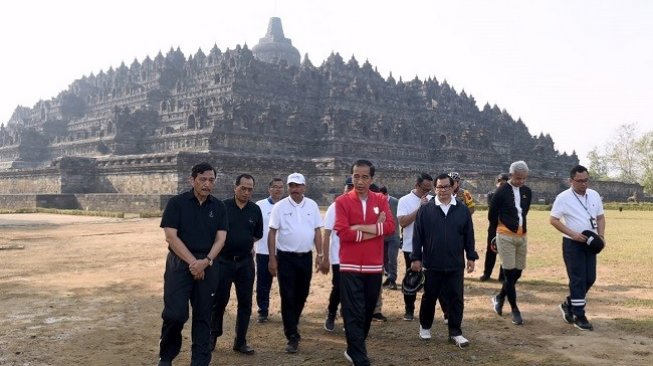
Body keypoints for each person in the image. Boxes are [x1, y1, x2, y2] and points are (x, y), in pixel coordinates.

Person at [157, 162, 228, 366]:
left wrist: (205, 262)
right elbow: (171, 237)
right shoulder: (177, 203)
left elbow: (221, 239)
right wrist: (193, 263)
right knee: (175, 314)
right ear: (192, 180)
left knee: (204, 315)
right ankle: (166, 356)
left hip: (208, 264)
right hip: (179, 264)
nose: (207, 184)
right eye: (203, 179)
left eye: (211, 180)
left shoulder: (219, 207)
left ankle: (200, 360)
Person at [334, 159, 395, 365]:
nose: (359, 181)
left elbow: (389, 227)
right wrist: (373, 229)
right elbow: (343, 232)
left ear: (372, 179)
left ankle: (355, 345)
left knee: (368, 310)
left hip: (374, 266)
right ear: (352, 177)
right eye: (356, 176)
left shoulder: (380, 199)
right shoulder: (342, 201)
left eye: (364, 177)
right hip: (349, 265)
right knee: (352, 310)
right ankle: (358, 355)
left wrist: (359, 227)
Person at [410, 173, 477, 348]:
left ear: (453, 187)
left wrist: (471, 256)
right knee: (429, 296)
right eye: (440, 187)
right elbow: (418, 236)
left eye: (447, 186)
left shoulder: (462, 209)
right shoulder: (426, 210)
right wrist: (416, 258)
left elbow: (469, 234)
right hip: (432, 263)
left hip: (455, 263)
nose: (443, 190)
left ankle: (455, 332)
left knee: (456, 298)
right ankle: (425, 326)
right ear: (434, 188)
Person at [267, 172, 327, 354]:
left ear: (304, 187)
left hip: (305, 256)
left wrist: (320, 253)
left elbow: (317, 230)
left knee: (302, 293)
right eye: (291, 186)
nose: (295, 189)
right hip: (286, 257)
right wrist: (272, 258)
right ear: (288, 187)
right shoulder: (280, 207)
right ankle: (292, 335)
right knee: (288, 295)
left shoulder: (312, 205)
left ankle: (293, 321)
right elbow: (272, 233)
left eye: (298, 186)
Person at [209, 174, 263, 354]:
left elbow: (257, 234)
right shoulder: (222, 207)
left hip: (246, 263)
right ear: (235, 187)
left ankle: (240, 341)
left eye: (250, 189)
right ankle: (212, 337)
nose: (246, 192)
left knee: (245, 303)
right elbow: (214, 233)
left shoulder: (255, 210)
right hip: (223, 262)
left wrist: (243, 245)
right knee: (219, 301)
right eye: (243, 188)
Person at [550, 165, 606, 331]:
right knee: (578, 279)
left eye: (586, 180)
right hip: (573, 244)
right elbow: (554, 220)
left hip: (591, 242)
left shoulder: (594, 195)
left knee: (590, 278)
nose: (583, 184)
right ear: (571, 181)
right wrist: (573, 234)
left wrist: (601, 236)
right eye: (579, 181)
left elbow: (600, 217)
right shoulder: (563, 197)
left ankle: (569, 304)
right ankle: (579, 315)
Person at [488, 161, 532, 326]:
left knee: (517, 273)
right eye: (518, 178)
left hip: (522, 235)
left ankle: (499, 297)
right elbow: (492, 215)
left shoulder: (527, 191)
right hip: (505, 235)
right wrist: (499, 231)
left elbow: (524, 212)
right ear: (511, 175)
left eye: (524, 178)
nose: (521, 181)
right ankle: (514, 310)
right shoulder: (501, 191)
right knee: (508, 274)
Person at [397, 173, 434, 321]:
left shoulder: (433, 200)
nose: (427, 192)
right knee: (411, 280)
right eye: (425, 189)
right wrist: (420, 208)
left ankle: (426, 312)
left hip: (430, 248)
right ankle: (409, 310)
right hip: (410, 247)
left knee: (431, 281)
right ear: (417, 185)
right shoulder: (404, 201)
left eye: (430, 189)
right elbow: (403, 222)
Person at [322, 177, 355, 332]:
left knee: (352, 289)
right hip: (338, 256)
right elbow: (327, 234)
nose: (350, 190)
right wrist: (325, 257)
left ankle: (347, 316)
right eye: (348, 187)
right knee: (339, 287)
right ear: (344, 189)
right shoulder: (334, 208)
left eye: (352, 187)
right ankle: (331, 313)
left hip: (355, 256)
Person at [254, 178, 285, 323]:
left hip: (284, 252)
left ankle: (289, 312)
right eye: (275, 187)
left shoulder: (287, 206)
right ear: (269, 189)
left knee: (287, 283)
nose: (278, 190)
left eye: (281, 187)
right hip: (263, 251)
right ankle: (263, 311)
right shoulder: (259, 206)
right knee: (263, 284)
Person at [480, 173, 509, 282]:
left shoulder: (511, 195)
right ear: (497, 182)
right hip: (493, 226)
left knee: (505, 251)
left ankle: (502, 276)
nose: (502, 184)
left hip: (506, 227)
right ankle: (487, 274)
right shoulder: (492, 194)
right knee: (491, 250)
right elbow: (492, 209)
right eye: (500, 182)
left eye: (504, 182)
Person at [380, 185, 400, 290]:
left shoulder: (396, 202)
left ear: (386, 194)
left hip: (393, 236)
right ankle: (389, 277)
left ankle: (392, 280)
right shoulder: (377, 202)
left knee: (392, 258)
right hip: (382, 236)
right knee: (384, 259)